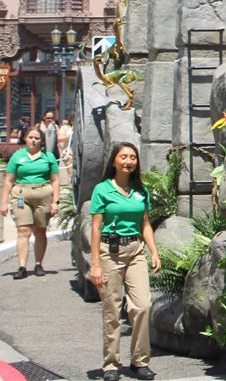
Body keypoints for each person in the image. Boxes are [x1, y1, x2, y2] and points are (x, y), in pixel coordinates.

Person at [90, 142, 160, 381]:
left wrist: (153, 251)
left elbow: (145, 224)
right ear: (114, 161)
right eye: (124, 157)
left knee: (142, 306)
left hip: (136, 250)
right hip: (110, 252)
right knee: (112, 310)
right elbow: (96, 228)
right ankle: (111, 365)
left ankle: (140, 361)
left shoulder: (141, 190)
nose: (129, 161)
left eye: (133, 157)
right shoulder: (102, 190)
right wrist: (96, 263)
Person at [0, 126, 60, 279]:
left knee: (40, 230)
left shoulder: (48, 156)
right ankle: (22, 266)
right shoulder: (17, 156)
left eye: (37, 138)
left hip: (43, 194)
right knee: (23, 230)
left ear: (41, 140)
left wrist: (55, 202)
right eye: (31, 137)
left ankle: (38, 263)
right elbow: (8, 180)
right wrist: (4, 202)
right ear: (25, 138)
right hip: (21, 195)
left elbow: (55, 180)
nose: (33, 141)